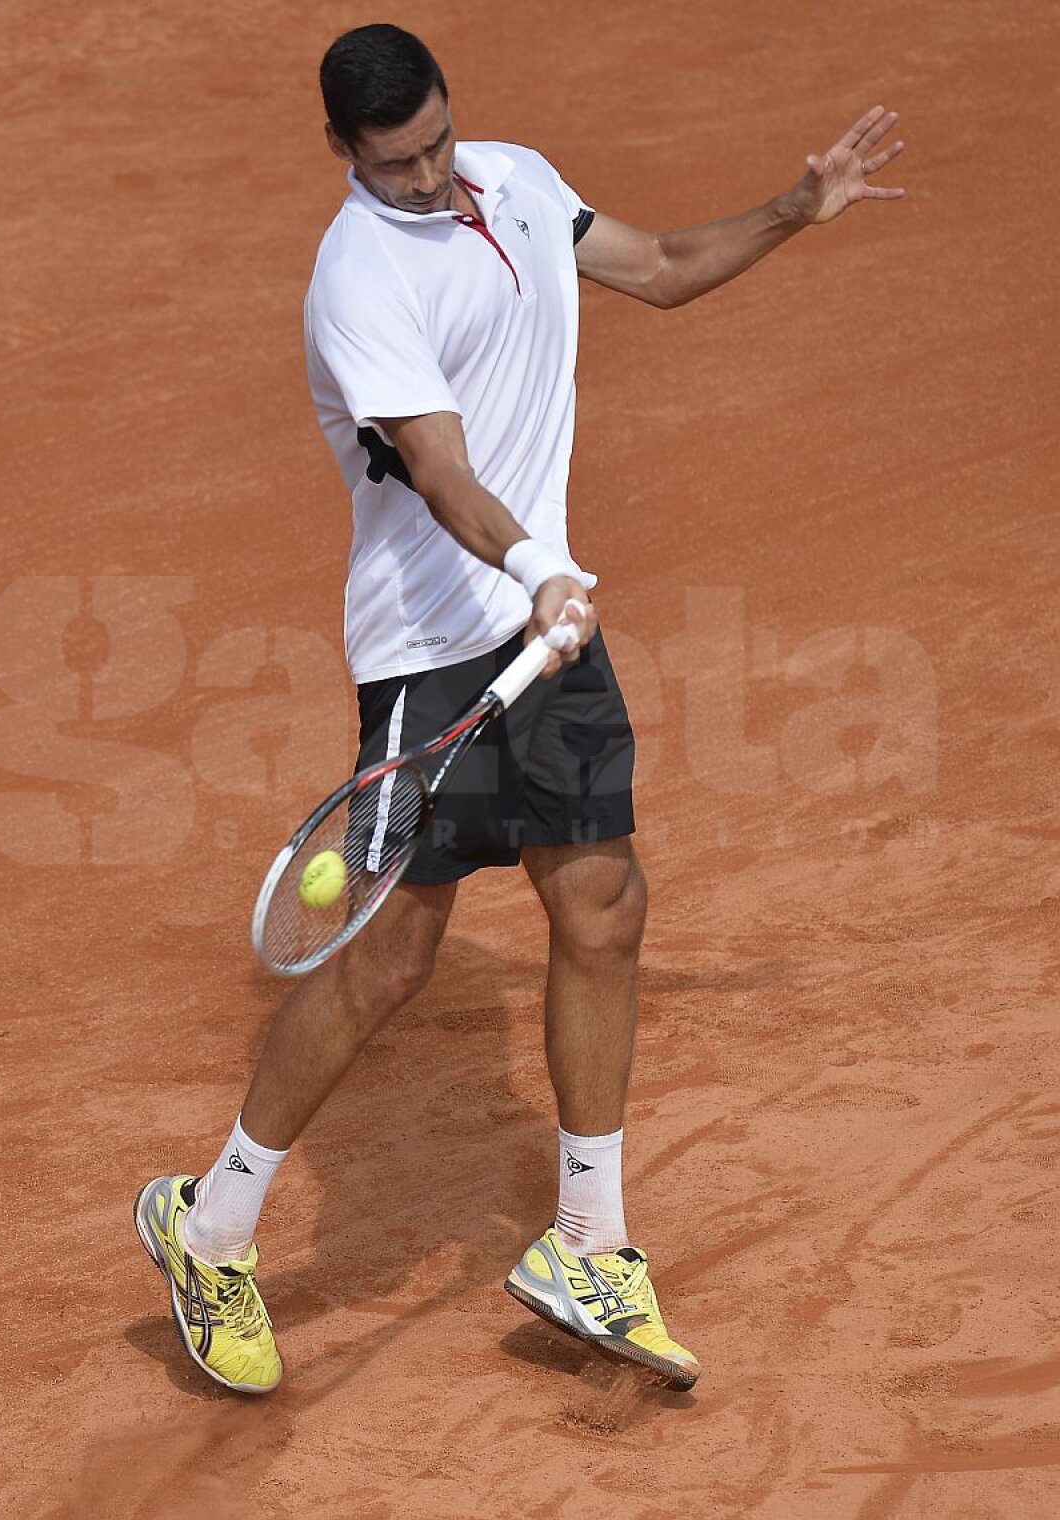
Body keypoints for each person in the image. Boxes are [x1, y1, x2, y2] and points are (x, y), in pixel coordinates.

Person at [134, 23, 905, 1395]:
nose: (428, 178)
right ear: (341, 153)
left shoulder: (518, 180)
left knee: (603, 906)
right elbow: (438, 470)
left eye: (435, 144)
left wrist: (795, 208)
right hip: (436, 646)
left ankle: (588, 1244)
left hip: (541, 633)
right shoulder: (358, 277)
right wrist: (543, 567)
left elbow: (659, 271)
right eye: (395, 163)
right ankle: (212, 1226)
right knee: (388, 961)